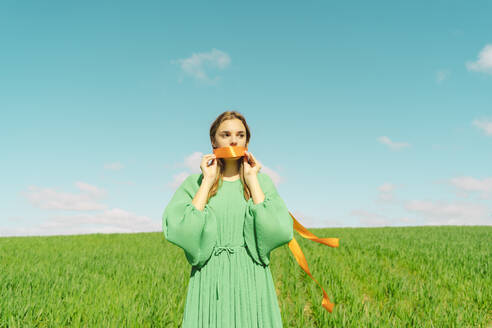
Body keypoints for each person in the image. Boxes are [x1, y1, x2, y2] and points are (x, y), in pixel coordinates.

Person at [162, 110, 294, 327]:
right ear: (213, 140)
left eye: (240, 135)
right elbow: (182, 231)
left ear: (247, 141)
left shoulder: (263, 182)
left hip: (252, 280)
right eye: (226, 134)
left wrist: (252, 181)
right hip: (209, 279)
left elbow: (278, 231)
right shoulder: (193, 183)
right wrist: (207, 181)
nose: (234, 139)